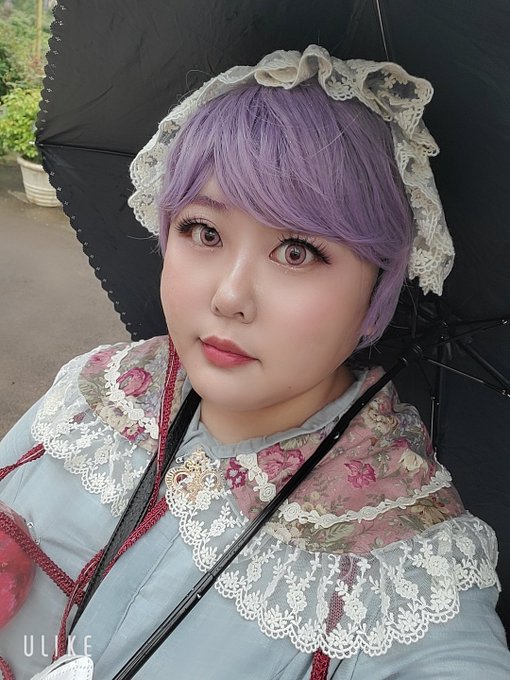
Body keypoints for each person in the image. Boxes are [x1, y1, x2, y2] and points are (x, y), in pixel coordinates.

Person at [0, 45, 509, 680]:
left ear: (379, 285)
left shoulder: (402, 571)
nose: (229, 296)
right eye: (204, 232)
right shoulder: (92, 398)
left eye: (297, 251)